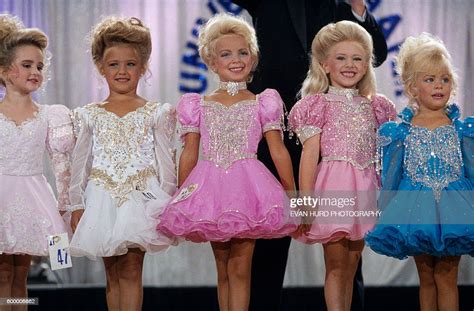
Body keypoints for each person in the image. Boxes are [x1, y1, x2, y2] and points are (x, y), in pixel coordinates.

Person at [231, 1, 388, 309]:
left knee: (347, 251)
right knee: (269, 243)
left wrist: (357, 8)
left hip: (340, 138)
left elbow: (377, 55)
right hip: (277, 134)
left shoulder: (342, 7)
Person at [156, 13, 299, 311]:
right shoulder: (198, 104)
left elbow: (278, 150)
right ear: (211, 61)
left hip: (249, 188)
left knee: (240, 267)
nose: (236, 60)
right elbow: (190, 152)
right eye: (226, 54)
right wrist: (183, 195)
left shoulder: (264, 101)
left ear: (254, 57)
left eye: (242, 52)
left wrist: (291, 191)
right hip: (210, 188)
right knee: (222, 269)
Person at [68, 17, 177, 311]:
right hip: (101, 198)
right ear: (101, 68)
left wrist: (163, 204)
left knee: (130, 269)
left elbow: (167, 165)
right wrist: (76, 204)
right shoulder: (89, 114)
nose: (122, 71)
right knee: (112, 273)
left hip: (139, 199)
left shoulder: (156, 112)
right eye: (113, 64)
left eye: (130, 64)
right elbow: (79, 164)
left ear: (143, 67)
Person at [288, 20, 396, 310]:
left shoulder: (376, 105)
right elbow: (309, 156)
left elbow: (383, 157)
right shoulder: (318, 104)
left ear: (367, 64)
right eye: (341, 58)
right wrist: (305, 201)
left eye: (357, 58)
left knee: (350, 267)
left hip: (365, 189)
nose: (350, 65)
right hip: (333, 188)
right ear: (325, 65)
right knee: (336, 267)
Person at [365, 33, 474, 311]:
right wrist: (385, 211)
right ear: (413, 87)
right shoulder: (401, 132)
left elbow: (471, 170)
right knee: (426, 278)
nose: (439, 85)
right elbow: (391, 176)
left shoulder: (462, 129)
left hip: (455, 210)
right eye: (430, 79)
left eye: (445, 79)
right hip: (416, 211)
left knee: (447, 277)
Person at [0, 14, 74, 308]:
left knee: (21, 277)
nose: (35, 71)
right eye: (27, 65)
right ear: (5, 71)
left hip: (33, 199)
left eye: (40, 66)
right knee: (3, 274)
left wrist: (66, 203)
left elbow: (61, 164)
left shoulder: (50, 115)